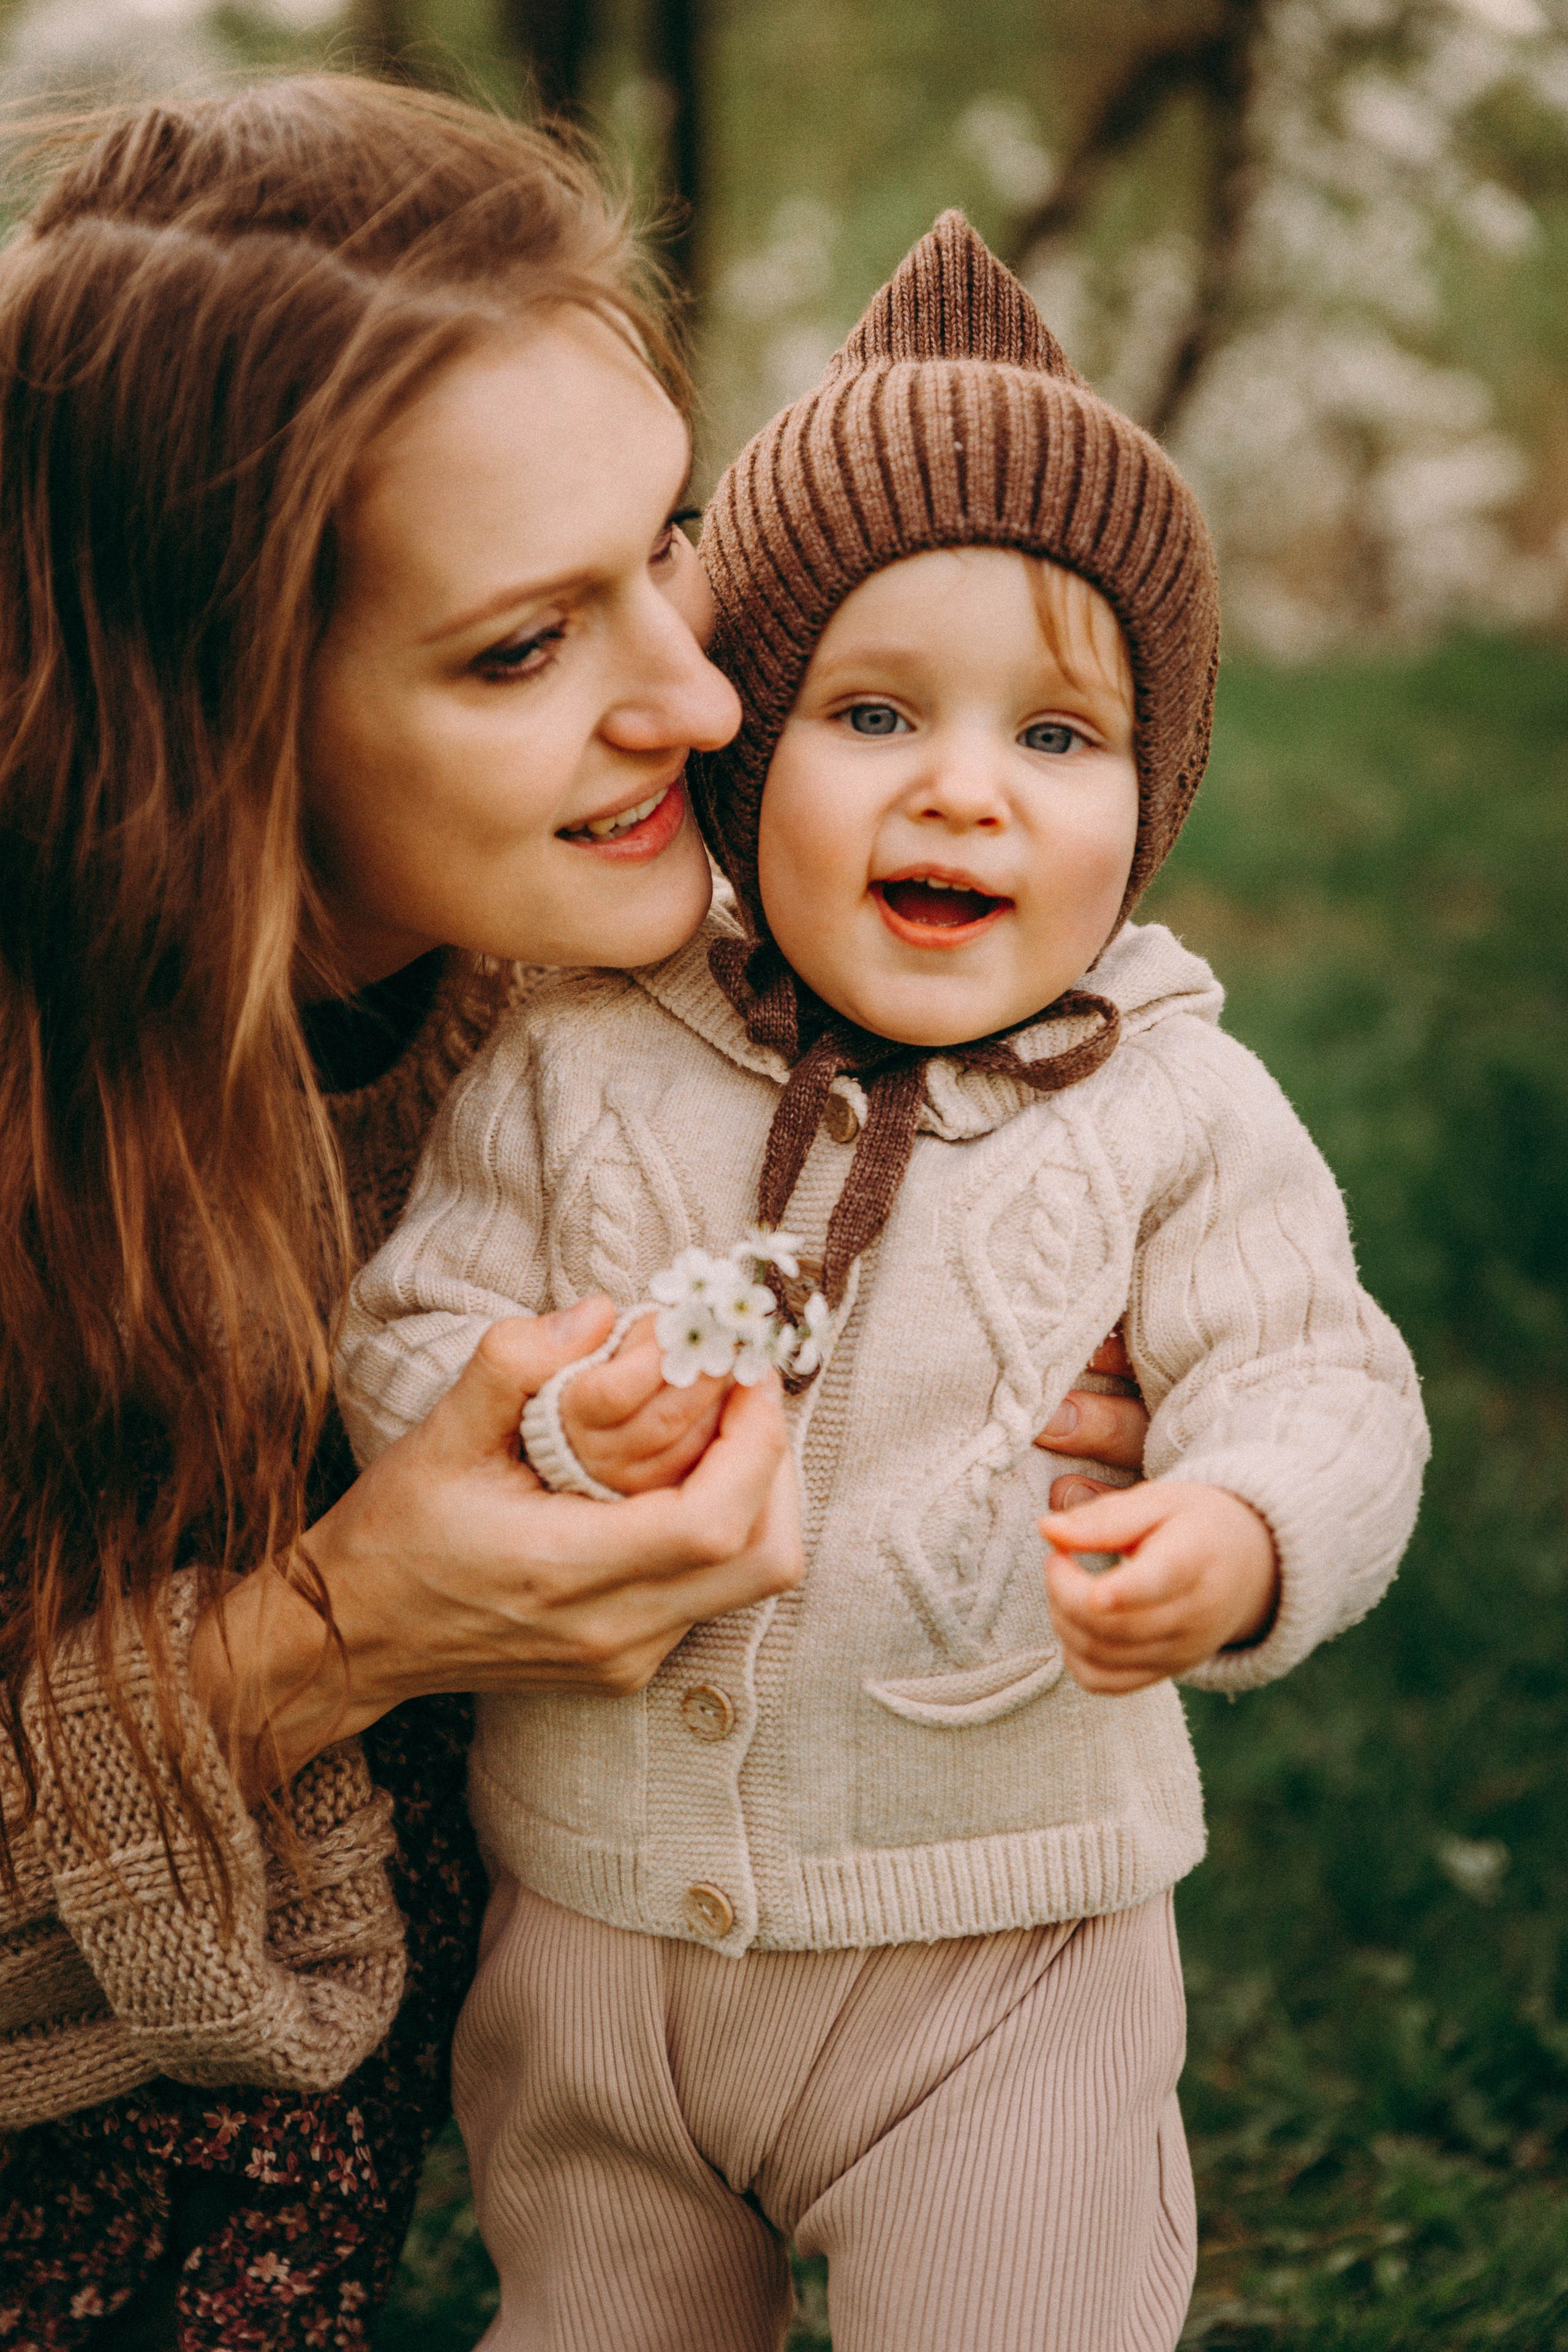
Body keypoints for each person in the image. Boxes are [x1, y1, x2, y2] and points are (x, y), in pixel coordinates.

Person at [0, 92, 1144, 2350]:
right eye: (524, 649)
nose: (704, 697)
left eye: (674, 542)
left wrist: (1066, 1402)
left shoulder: (634, 988)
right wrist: (338, 1634)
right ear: (207, 722)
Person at [337, 214, 1431, 2352]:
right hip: (598, 1940)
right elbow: (409, 1329)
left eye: (1058, 739)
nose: (963, 787)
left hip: (995, 1954)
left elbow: (1325, 1378)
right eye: (871, 710)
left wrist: (1241, 1527)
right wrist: (547, 1410)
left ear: (1156, 793)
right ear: (746, 762)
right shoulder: (582, 1047)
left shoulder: (1172, 1106)